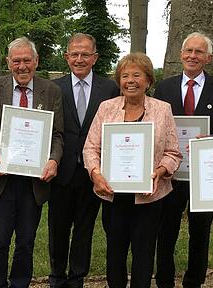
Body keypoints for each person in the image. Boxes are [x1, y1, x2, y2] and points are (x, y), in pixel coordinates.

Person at [83, 52, 182, 288]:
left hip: (149, 197)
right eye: (125, 75)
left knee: (144, 253)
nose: (130, 80)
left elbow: (173, 152)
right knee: (115, 253)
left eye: (137, 75)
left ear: (148, 80)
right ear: (119, 81)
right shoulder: (106, 108)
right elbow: (90, 147)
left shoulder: (163, 110)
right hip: (113, 195)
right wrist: (96, 174)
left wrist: (160, 171)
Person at [0, 37, 64, 288]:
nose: (22, 66)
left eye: (27, 60)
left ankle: (20, 284)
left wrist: (53, 160)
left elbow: (58, 135)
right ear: (8, 62)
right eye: (16, 61)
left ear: (36, 61)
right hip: (0, 180)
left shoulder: (51, 91)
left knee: (26, 240)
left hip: (34, 182)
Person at [153, 33, 213, 288]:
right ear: (180, 54)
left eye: (199, 52)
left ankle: (194, 281)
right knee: (166, 231)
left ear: (208, 58)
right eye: (188, 51)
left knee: (201, 232)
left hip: (205, 175)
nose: (192, 56)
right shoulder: (164, 87)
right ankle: (164, 280)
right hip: (170, 174)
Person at [49, 33, 119, 288]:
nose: (79, 59)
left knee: (84, 228)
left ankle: (77, 277)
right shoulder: (54, 87)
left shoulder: (109, 88)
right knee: (58, 227)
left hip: (94, 171)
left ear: (95, 58)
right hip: (61, 169)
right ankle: (57, 276)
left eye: (85, 54)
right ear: (66, 57)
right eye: (74, 54)